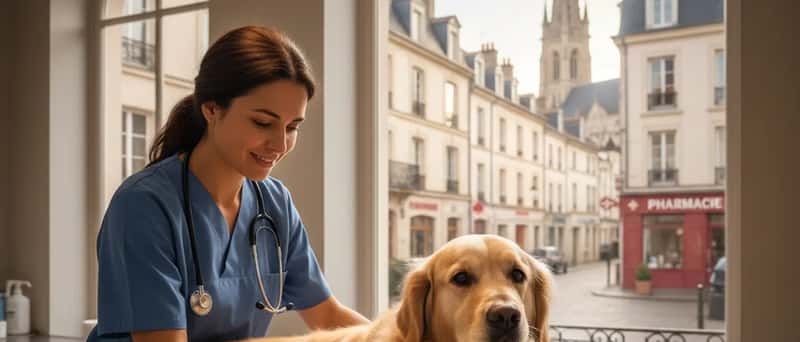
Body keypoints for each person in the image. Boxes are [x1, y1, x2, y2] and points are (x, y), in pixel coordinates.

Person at [87, 26, 369, 342]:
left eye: (292, 127)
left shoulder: (274, 203)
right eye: (263, 123)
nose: (280, 144)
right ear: (211, 109)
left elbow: (328, 316)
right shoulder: (143, 205)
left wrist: (397, 336)